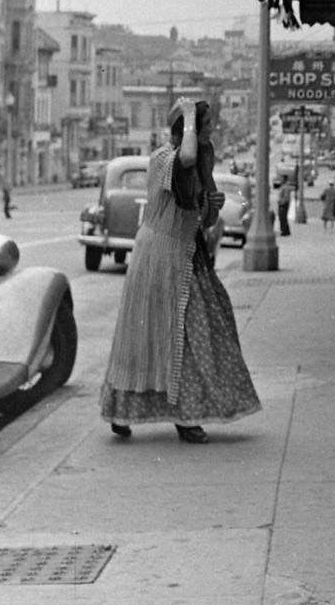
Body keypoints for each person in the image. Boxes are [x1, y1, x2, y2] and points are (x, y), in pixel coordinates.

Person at [99, 97, 261, 444]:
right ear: (186, 129)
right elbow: (184, 157)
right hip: (158, 255)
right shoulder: (163, 159)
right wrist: (188, 115)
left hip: (187, 252)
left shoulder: (200, 162)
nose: (210, 130)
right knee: (146, 334)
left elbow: (206, 219)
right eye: (204, 125)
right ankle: (128, 411)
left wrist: (213, 208)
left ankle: (187, 412)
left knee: (198, 329)